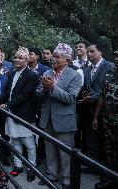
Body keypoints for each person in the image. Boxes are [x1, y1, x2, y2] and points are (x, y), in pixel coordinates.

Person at [36, 43, 82, 189]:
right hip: (47, 119)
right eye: (53, 56)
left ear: (67, 60)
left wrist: (52, 88)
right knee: (50, 150)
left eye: (57, 57)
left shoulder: (75, 76)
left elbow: (71, 98)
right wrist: (44, 89)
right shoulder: (47, 73)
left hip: (65, 121)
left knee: (65, 152)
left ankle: (67, 180)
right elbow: (38, 94)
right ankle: (51, 175)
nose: (53, 59)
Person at [0, 47, 39, 181]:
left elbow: (24, 96)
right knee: (15, 142)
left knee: (29, 144)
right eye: (16, 57)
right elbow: (8, 94)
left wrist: (6, 105)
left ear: (26, 60)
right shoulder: (11, 74)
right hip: (12, 113)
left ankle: (32, 169)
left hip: (23, 115)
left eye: (20, 58)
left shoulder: (32, 75)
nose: (17, 60)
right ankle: (18, 166)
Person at [80, 44, 115, 165]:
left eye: (92, 51)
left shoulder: (110, 66)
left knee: (105, 139)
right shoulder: (86, 70)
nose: (89, 54)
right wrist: (85, 96)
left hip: (106, 110)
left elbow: (109, 90)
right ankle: (92, 163)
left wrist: (93, 97)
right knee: (90, 137)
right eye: (88, 52)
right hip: (88, 109)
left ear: (100, 52)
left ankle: (105, 167)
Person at [92, 57, 118, 189]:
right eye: (116, 56)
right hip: (108, 120)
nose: (116, 59)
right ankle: (110, 179)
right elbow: (102, 96)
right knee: (109, 150)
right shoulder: (110, 74)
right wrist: (96, 117)